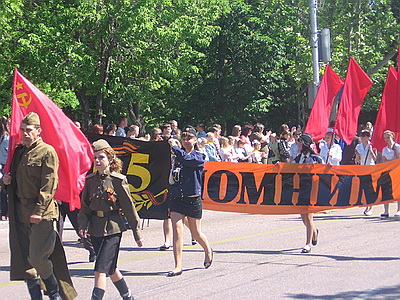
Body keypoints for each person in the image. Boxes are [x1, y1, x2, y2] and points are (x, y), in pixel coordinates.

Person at [3, 112, 76, 300]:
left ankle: (55, 295)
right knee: (25, 262)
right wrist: (6, 180)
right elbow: (17, 182)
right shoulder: (19, 152)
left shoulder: (47, 151)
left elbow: (49, 184)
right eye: (22, 130)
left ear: (38, 131)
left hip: (41, 213)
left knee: (37, 257)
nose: (25, 133)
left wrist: (38, 211)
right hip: (20, 211)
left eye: (29, 130)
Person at [78, 139, 143, 299]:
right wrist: (82, 225)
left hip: (113, 229)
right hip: (95, 228)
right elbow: (85, 206)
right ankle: (127, 295)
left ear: (110, 159)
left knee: (99, 269)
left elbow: (129, 209)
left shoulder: (118, 180)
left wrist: (137, 233)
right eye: (96, 158)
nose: (98, 161)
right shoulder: (90, 180)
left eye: (102, 157)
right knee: (111, 268)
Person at [167, 131, 213, 277]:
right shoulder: (177, 156)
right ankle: (177, 265)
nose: (186, 141)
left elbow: (187, 160)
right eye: (184, 138)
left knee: (196, 233)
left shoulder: (199, 156)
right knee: (177, 230)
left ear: (195, 140)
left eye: (189, 138)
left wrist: (175, 147)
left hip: (192, 198)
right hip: (176, 198)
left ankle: (208, 250)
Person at [294, 133, 322, 253]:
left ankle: (307, 244)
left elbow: (325, 171)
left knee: (309, 216)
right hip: (300, 188)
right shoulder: (297, 158)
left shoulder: (316, 158)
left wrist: (324, 167)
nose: (298, 144)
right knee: (303, 218)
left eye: (300, 142)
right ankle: (314, 232)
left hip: (312, 189)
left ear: (305, 144)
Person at [355, 130, 377, 216]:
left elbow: (375, 159)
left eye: (364, 137)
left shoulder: (372, 145)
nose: (363, 138)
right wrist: (357, 156)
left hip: (371, 168)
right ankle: (366, 205)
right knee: (364, 188)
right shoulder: (358, 146)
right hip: (362, 168)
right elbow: (357, 159)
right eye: (362, 136)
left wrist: (371, 150)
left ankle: (370, 207)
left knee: (370, 187)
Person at [381, 130, 400, 218]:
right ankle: (386, 211)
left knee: (397, 190)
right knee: (387, 190)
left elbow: (398, 159)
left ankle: (398, 210)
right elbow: (384, 161)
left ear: (392, 136)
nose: (386, 140)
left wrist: (395, 152)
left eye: (388, 138)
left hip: (397, 171)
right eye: (385, 138)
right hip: (388, 171)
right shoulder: (384, 149)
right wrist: (391, 161)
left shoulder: (397, 147)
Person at [0, 116, 10, 220]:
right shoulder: (6, 137)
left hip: (1, 165)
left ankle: (3, 212)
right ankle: (6, 212)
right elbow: (8, 152)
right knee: (7, 189)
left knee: (2, 191)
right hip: (5, 166)